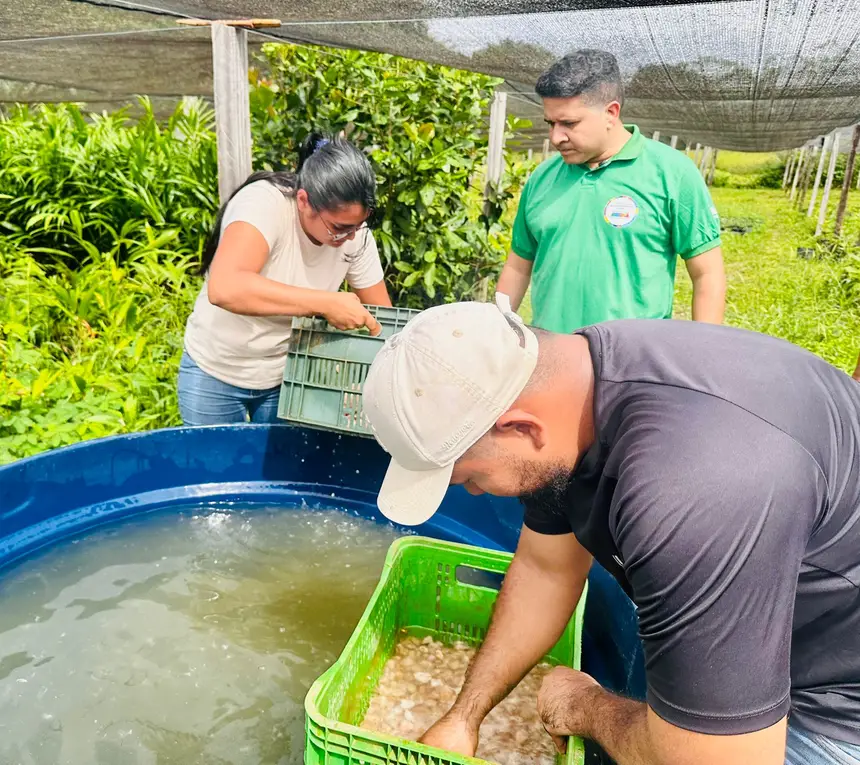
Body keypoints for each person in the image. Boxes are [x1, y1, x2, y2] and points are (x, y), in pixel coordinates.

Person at [360, 295, 860, 765]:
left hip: (835, 705)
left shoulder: (686, 492)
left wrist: (581, 704)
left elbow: (717, 760)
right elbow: (545, 570)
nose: (472, 492)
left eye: (468, 477)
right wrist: (464, 717)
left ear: (521, 429)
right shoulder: (565, 388)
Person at [499, 50, 726, 332]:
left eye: (569, 123)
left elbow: (706, 273)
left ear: (611, 113)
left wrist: (705, 346)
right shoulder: (542, 178)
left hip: (633, 353)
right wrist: (497, 331)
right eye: (550, 123)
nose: (556, 137)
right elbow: (518, 265)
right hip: (553, 348)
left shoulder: (672, 173)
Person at [178, 133, 391, 426]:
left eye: (358, 225)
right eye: (339, 227)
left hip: (288, 376)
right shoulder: (265, 204)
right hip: (216, 368)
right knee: (218, 457)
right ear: (304, 201)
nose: (351, 236)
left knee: (284, 458)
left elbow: (382, 321)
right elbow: (225, 287)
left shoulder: (355, 236)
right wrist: (325, 304)